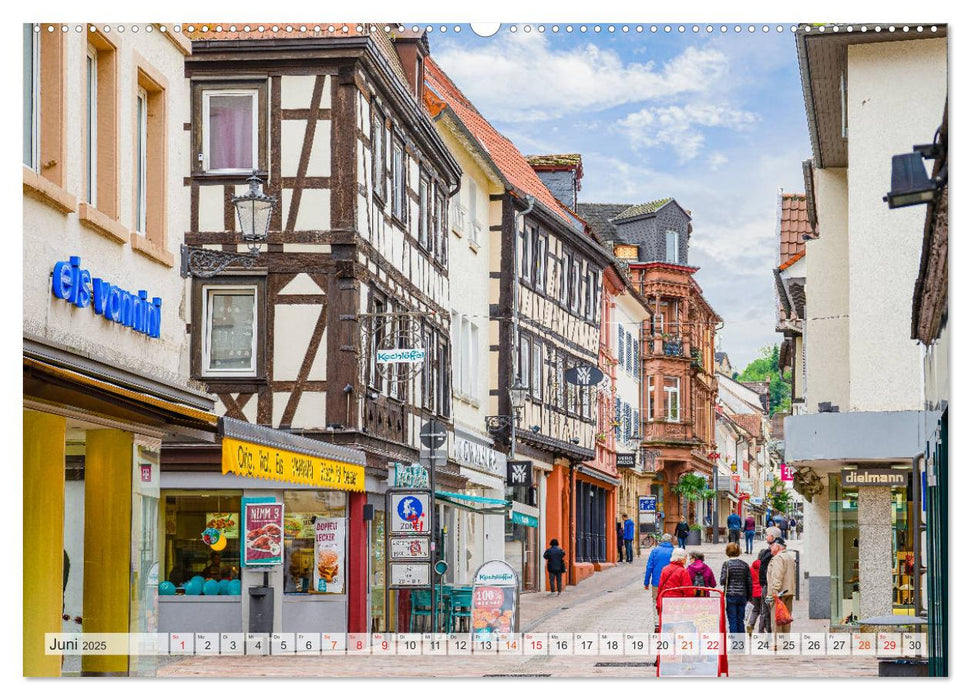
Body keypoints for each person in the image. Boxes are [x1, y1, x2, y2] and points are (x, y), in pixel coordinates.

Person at [720, 542, 752, 634]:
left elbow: (722, 581)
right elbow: (749, 582)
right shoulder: (745, 565)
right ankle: (741, 645)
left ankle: (734, 645)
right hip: (743, 595)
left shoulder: (726, 564)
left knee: (732, 621)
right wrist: (750, 598)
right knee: (740, 621)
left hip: (731, 595)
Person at [766, 537, 796, 635]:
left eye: (772, 545)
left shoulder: (778, 558)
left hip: (779, 594)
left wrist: (773, 593)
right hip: (789, 592)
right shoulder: (789, 557)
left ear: (778, 547)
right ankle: (785, 642)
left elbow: (777, 576)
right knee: (786, 619)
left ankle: (778, 643)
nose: (770, 547)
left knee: (777, 620)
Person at [757, 526, 781, 633]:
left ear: (772, 537)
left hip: (769, 587)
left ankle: (770, 631)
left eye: (767, 535)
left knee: (768, 609)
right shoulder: (768, 551)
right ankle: (766, 630)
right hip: (765, 586)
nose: (766, 537)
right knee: (765, 609)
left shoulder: (773, 552)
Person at [656, 548, 694, 615]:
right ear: (681, 559)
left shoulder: (665, 569)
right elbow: (688, 590)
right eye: (685, 557)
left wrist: (658, 599)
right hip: (678, 601)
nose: (686, 560)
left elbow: (660, 586)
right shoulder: (683, 571)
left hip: (665, 600)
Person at [644, 533, 675, 607]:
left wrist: (646, 582)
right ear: (670, 541)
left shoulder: (655, 551)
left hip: (656, 582)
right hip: (671, 582)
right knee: (670, 603)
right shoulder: (674, 551)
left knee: (656, 602)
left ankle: (656, 618)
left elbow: (649, 567)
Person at [747, 559, 763, 634]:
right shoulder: (764, 567)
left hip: (753, 592)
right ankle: (761, 629)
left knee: (755, 610)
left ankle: (751, 624)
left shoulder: (751, 568)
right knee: (763, 612)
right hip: (762, 591)